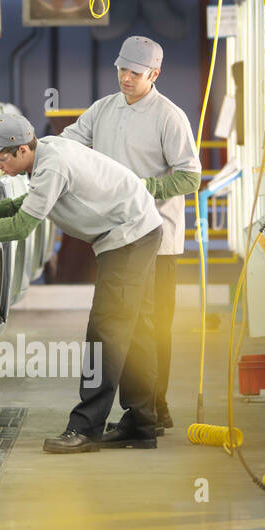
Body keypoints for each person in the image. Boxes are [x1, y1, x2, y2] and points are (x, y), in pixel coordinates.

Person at [0, 113, 163, 453]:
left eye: (1, 157)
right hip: (141, 228)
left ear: (20, 150)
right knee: (134, 330)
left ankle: (86, 429)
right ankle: (141, 423)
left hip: (128, 236)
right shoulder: (47, 152)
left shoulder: (53, 164)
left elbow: (21, 226)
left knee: (105, 334)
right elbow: (34, 200)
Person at [60, 36, 202, 435]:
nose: (126, 77)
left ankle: (153, 408)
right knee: (134, 326)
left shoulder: (168, 116)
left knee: (153, 327)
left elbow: (190, 176)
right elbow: (70, 143)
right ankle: (149, 414)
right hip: (117, 237)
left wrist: (141, 189)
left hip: (159, 239)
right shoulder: (103, 110)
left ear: (154, 74)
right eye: (122, 69)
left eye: (135, 73)